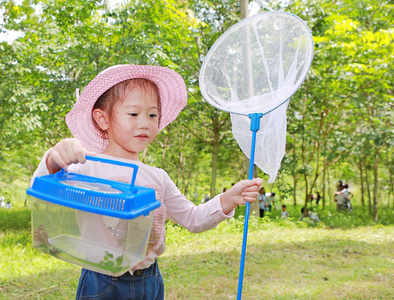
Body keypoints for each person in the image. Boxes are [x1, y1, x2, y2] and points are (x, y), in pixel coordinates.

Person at [30, 64, 262, 300]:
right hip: (101, 280)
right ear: (102, 119)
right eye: (133, 114)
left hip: (149, 280)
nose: (145, 123)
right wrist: (54, 158)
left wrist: (226, 199)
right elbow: (41, 189)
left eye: (152, 115)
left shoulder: (157, 177)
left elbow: (192, 218)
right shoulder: (86, 164)